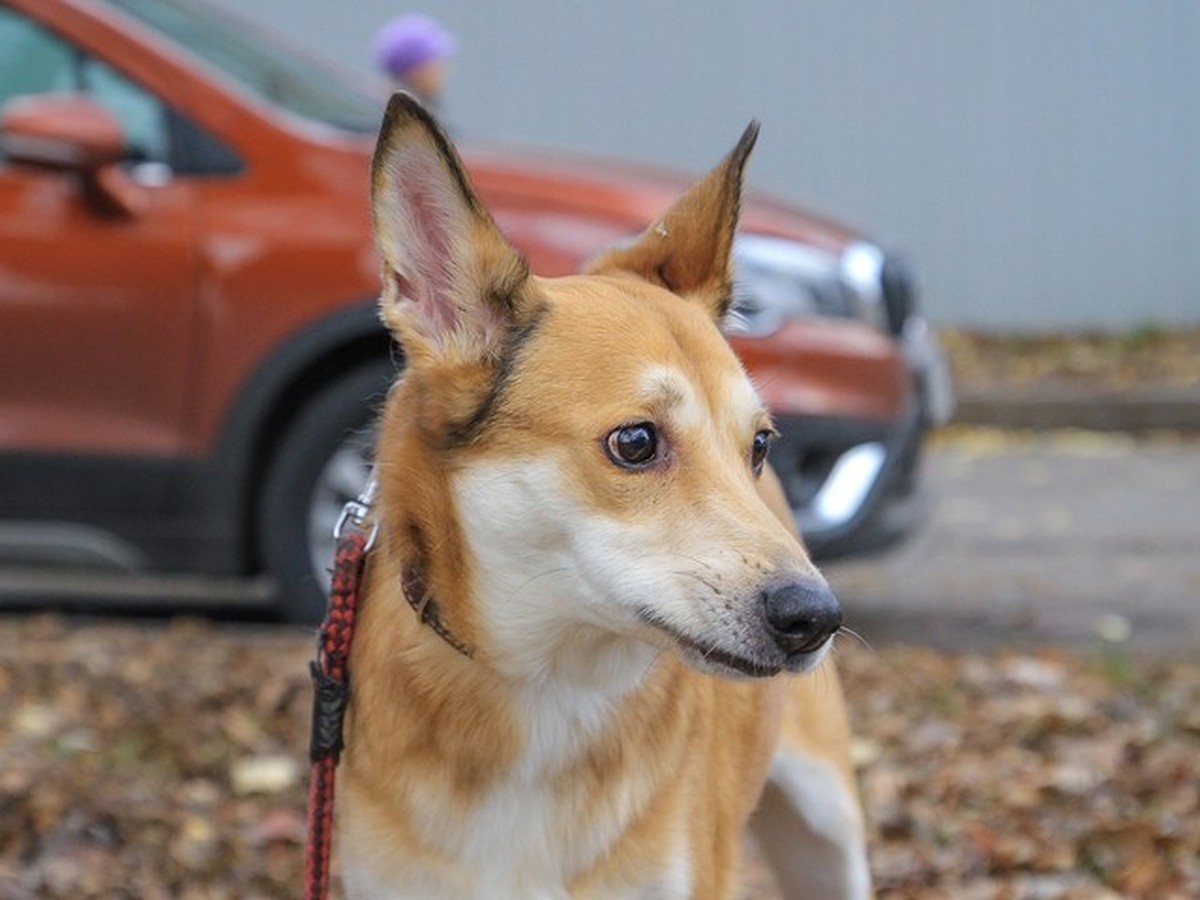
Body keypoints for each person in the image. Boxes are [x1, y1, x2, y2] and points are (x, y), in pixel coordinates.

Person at [372, 14, 457, 108]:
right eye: (433, 61)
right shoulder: (395, 114)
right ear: (413, 70)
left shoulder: (426, 105)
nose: (442, 68)